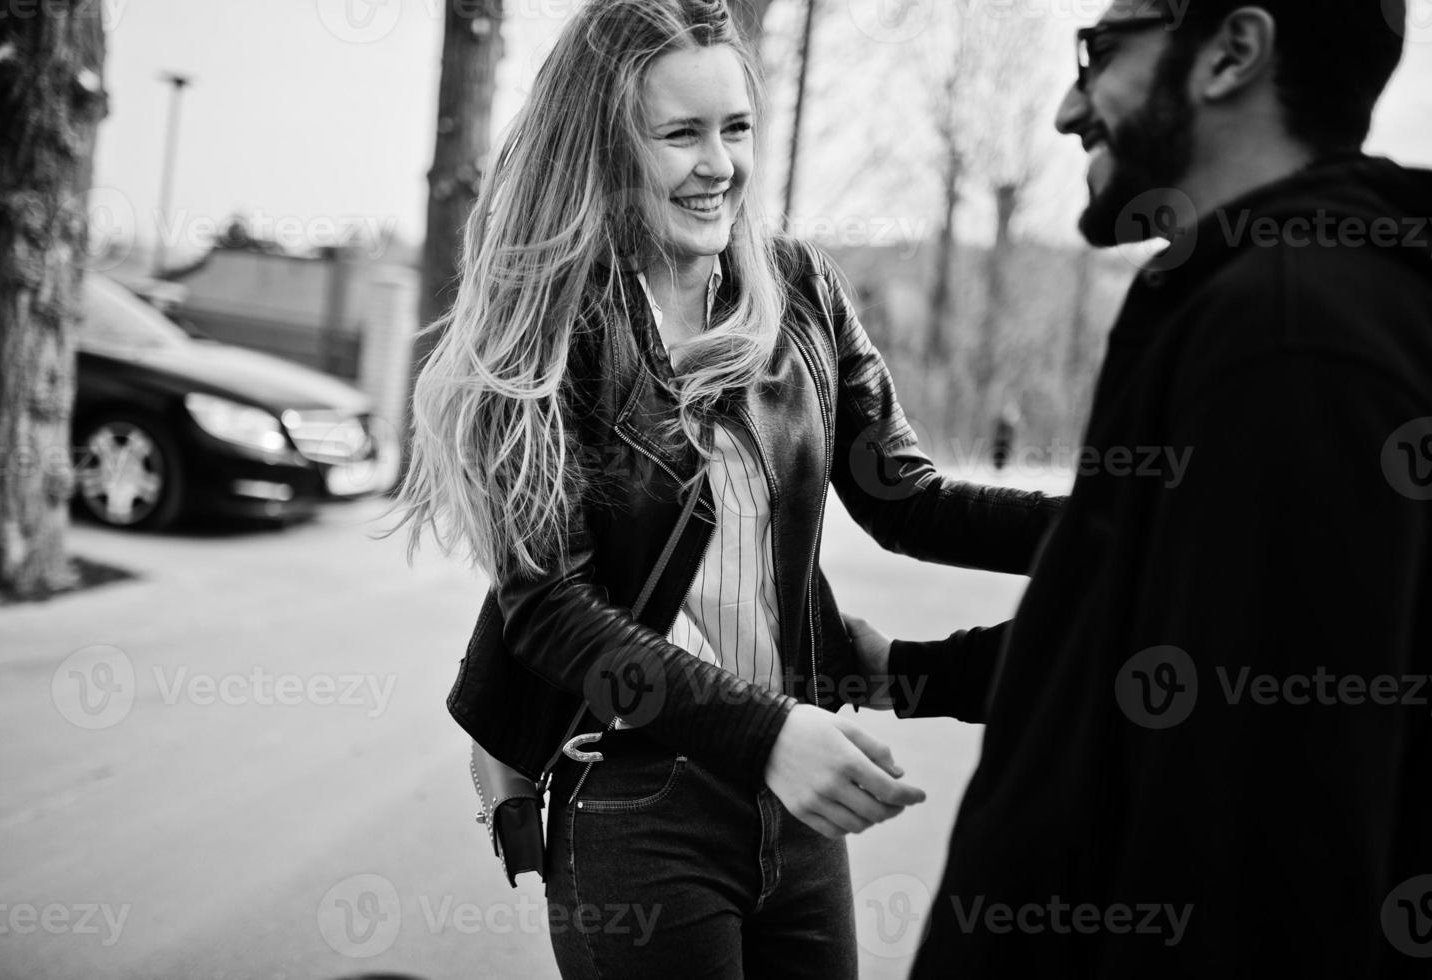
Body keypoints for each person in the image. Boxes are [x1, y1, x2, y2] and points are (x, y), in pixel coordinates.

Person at [393, 1, 1063, 976]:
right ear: (605, 150)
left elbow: (910, 501)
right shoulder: (551, 325)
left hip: (789, 791)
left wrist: (1127, 527)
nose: (721, 165)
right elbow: (546, 604)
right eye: (681, 134)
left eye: (736, 127)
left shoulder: (798, 290)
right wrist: (768, 732)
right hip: (633, 801)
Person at [848, 1, 1432, 975]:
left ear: (1231, 53)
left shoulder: (1289, 338)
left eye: (1101, 52)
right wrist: (904, 668)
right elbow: (1141, 636)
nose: (1069, 109)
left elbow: (1262, 859)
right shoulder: (1276, 303)